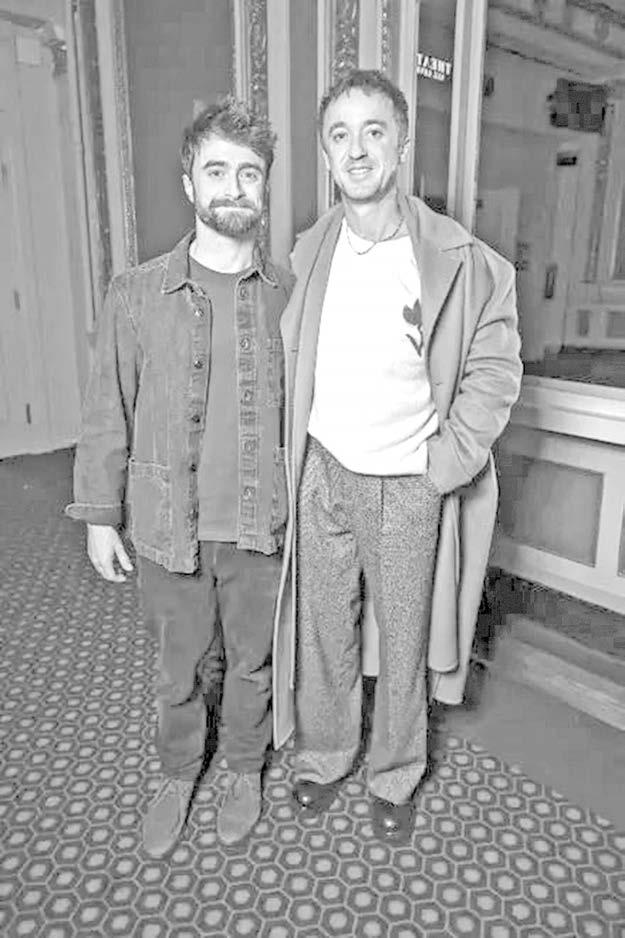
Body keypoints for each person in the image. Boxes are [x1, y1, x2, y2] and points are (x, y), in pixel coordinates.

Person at [271, 69, 523, 845]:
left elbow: (494, 369)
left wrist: (444, 464)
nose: (356, 150)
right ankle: (324, 754)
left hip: (407, 480)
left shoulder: (457, 258)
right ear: (325, 152)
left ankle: (395, 773)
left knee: (405, 637)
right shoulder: (308, 250)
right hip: (323, 468)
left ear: (401, 143)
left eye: (372, 131)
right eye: (339, 134)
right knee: (323, 628)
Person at [66, 98, 292, 855]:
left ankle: (244, 769)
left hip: (261, 523)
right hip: (168, 525)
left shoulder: (290, 297)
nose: (234, 187)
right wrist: (100, 515)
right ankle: (177, 773)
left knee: (253, 664)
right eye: (217, 171)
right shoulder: (137, 293)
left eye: (249, 173)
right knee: (179, 669)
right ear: (190, 184)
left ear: (264, 186)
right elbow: (108, 406)